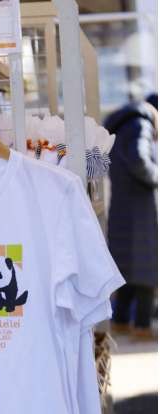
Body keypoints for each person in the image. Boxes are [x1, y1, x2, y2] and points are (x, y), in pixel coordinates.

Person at [105, 93, 158, 339]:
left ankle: (121, 321)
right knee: (147, 268)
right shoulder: (141, 124)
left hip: (123, 207)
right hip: (142, 210)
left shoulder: (122, 125)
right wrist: (156, 177)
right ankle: (142, 326)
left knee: (128, 269)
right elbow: (139, 158)